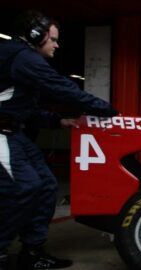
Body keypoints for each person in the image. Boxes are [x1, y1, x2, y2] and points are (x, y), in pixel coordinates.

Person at [0, 10, 118, 269]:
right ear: (35, 36)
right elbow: (64, 89)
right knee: (24, 187)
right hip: (2, 136)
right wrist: (109, 110)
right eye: (52, 39)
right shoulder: (23, 56)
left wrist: (57, 121)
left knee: (45, 186)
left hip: (15, 133)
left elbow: (20, 108)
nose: (57, 44)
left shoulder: (20, 60)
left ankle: (32, 252)